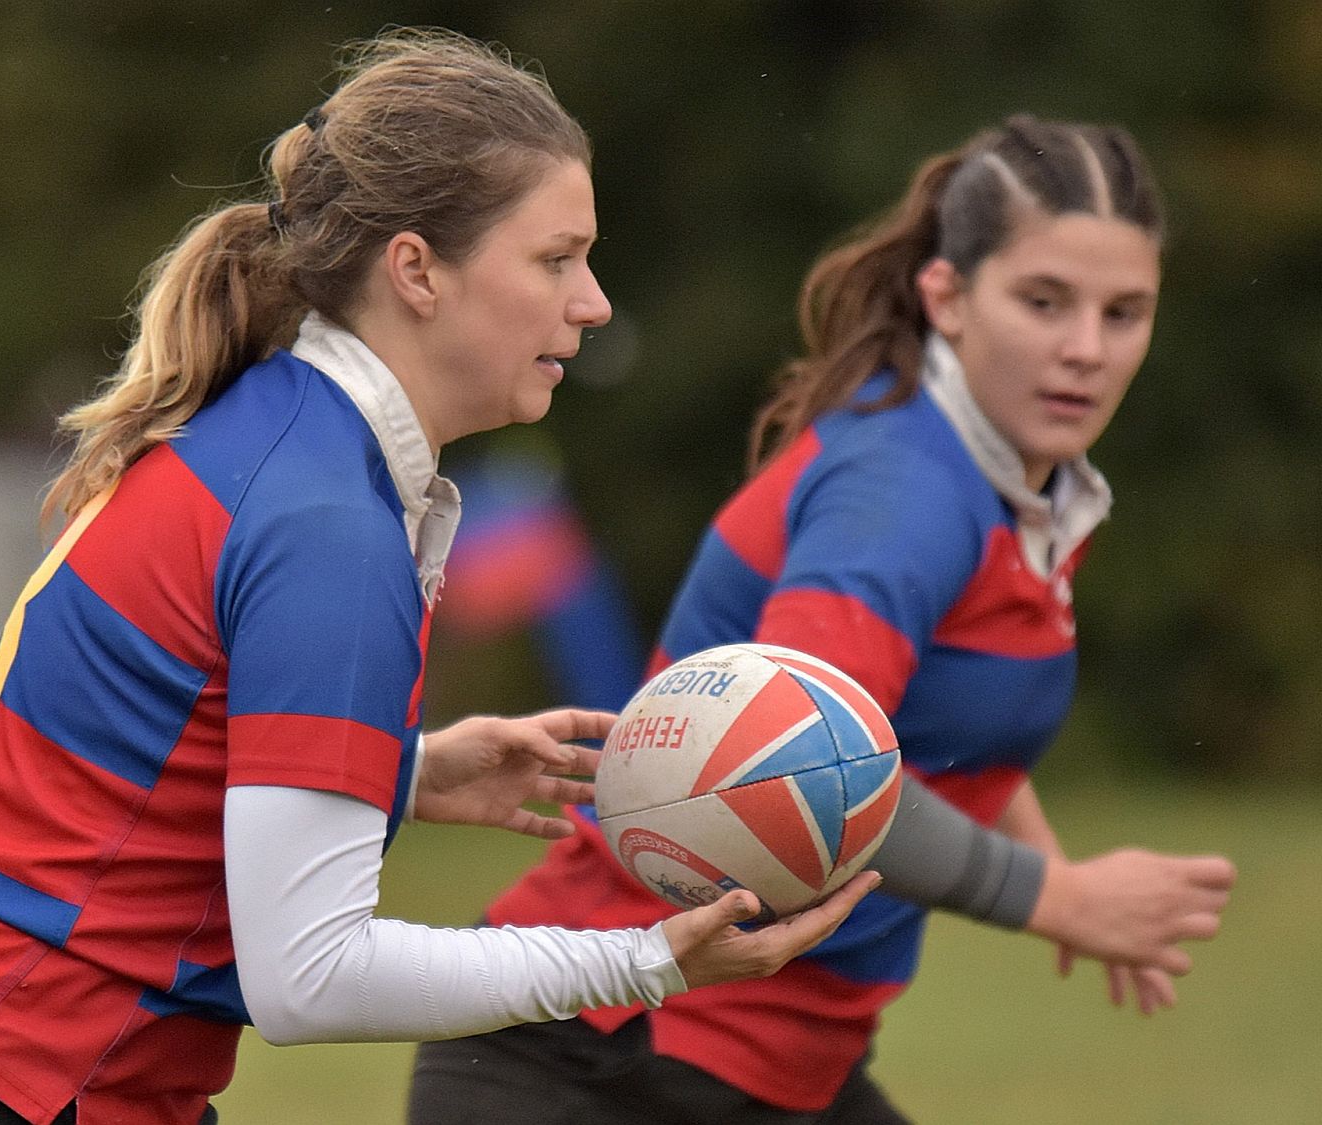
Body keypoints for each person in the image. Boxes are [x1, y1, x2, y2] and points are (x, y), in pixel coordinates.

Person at [0, 30, 878, 1125]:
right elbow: (310, 976)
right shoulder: (325, 518)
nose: (593, 302)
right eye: (557, 259)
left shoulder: (280, 441)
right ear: (417, 270)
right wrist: (643, 960)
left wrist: (403, 772)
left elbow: (138, 760)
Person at [407, 114, 1238, 1124]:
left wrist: (1052, 868)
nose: (1084, 349)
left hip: (759, 1059)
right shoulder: (903, 496)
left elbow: (950, 724)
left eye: (1124, 311)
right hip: (608, 1056)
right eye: (1043, 300)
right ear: (947, 296)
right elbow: (795, 770)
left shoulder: (1023, 493)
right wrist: (1060, 901)